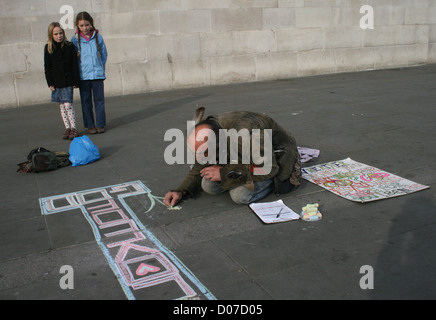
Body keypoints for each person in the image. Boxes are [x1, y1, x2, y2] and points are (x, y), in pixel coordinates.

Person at [163, 108, 301, 207]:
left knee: (239, 196)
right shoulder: (208, 129)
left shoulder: (249, 132)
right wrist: (181, 190)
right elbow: (201, 163)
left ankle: (271, 183)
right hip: (242, 156)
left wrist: (225, 173)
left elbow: (267, 167)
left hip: (274, 159)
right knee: (208, 185)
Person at [71, 12, 108, 135]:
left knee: (99, 101)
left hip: (97, 74)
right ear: (77, 26)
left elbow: (103, 54)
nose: (85, 28)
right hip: (83, 76)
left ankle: (100, 124)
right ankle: (90, 125)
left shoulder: (98, 37)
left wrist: (100, 67)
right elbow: (73, 58)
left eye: (87, 25)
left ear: (91, 23)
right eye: (81, 26)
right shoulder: (75, 40)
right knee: (86, 102)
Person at [44, 22, 80, 140]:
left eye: (60, 33)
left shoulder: (69, 46)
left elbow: (74, 65)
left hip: (68, 80)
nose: (59, 36)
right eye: (56, 34)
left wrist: (76, 81)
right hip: (57, 81)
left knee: (68, 104)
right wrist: (50, 83)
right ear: (51, 35)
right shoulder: (49, 47)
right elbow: (47, 67)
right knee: (62, 106)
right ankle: (68, 128)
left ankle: (74, 128)